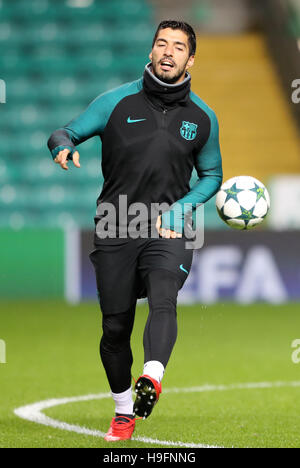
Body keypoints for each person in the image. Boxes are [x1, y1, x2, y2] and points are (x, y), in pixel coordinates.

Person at [47, 20, 223, 442]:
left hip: (169, 227)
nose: (168, 51)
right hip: (115, 225)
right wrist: (62, 146)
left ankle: (153, 376)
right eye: (161, 43)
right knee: (115, 328)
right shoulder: (115, 102)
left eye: (178, 47)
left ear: (190, 59)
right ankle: (124, 410)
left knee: (164, 295)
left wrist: (181, 210)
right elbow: (64, 131)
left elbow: (212, 175)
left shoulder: (203, 118)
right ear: (151, 51)